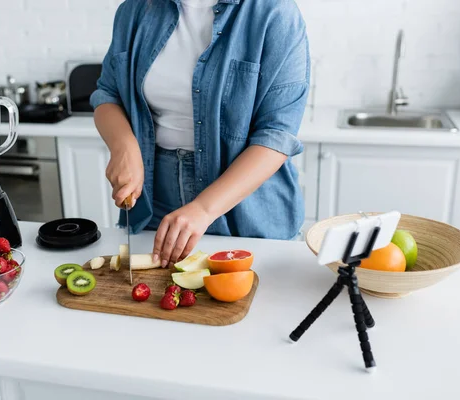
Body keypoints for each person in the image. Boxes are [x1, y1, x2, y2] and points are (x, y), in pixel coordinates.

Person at [90, 0, 310, 268]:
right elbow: (108, 95)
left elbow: (276, 134)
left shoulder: (274, 12)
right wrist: (124, 145)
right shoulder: (135, 10)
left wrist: (204, 209)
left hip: (248, 212)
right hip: (156, 205)